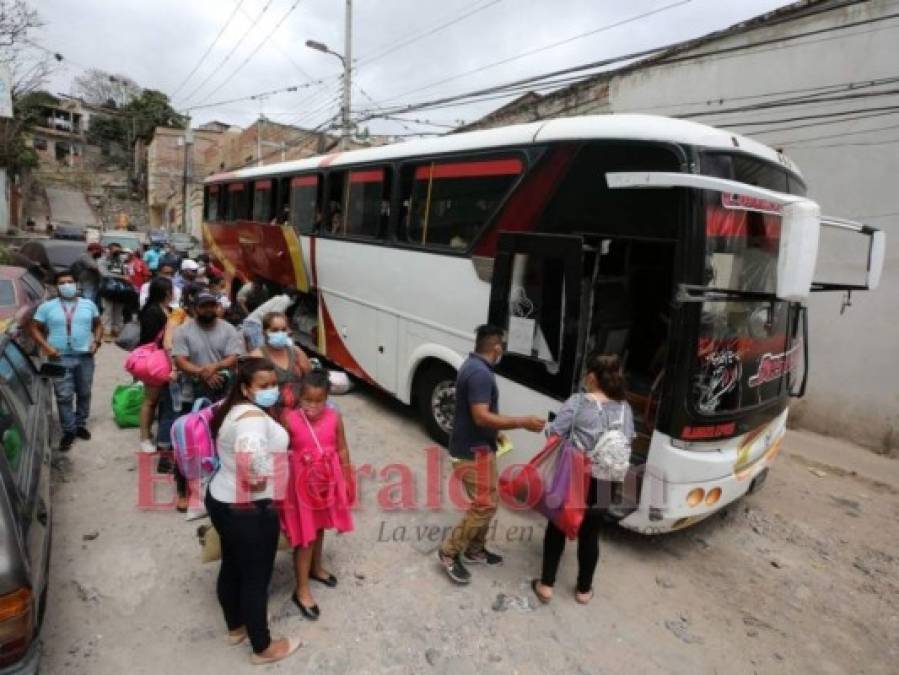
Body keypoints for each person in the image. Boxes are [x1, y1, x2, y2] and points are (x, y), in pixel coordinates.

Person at [205, 357, 300, 665]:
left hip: (222, 499)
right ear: (246, 388)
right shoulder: (252, 419)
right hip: (249, 507)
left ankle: (236, 628)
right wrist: (269, 475)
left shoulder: (234, 408)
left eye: (274, 384)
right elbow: (252, 462)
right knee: (255, 577)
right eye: (264, 385)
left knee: (232, 564)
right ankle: (263, 647)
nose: (271, 390)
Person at [437, 324, 545, 585]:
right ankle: (449, 552)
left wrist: (494, 433)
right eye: (502, 347)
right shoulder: (480, 374)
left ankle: (475, 549)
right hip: (469, 453)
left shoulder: (473, 366)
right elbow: (480, 415)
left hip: (480, 447)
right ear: (496, 347)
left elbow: (474, 413)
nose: (502, 351)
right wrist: (523, 422)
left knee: (489, 501)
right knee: (484, 505)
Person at [532, 353, 635, 606]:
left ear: (591, 376)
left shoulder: (579, 402)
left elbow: (555, 433)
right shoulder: (625, 408)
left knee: (558, 525)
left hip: (575, 476)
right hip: (606, 481)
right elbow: (629, 439)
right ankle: (584, 590)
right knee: (591, 532)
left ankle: (546, 585)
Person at [280, 369, 354, 620]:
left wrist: (346, 478)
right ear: (299, 397)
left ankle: (316, 567)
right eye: (307, 400)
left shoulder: (334, 417)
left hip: (326, 482)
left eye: (318, 401)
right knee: (305, 536)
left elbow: (342, 449)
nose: (312, 406)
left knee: (321, 527)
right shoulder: (289, 419)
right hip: (300, 488)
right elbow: (277, 453)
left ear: (327, 398)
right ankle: (301, 589)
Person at [172, 292, 245, 510]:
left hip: (223, 387)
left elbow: (234, 357)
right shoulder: (183, 331)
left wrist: (214, 368)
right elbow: (181, 361)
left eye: (211, 305)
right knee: (187, 439)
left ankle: (221, 484)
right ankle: (183, 489)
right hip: (192, 388)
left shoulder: (228, 329)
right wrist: (203, 372)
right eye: (203, 306)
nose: (208, 310)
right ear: (194, 308)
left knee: (223, 435)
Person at [29, 270, 103, 452]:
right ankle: (68, 430)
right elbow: (34, 328)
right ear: (57, 287)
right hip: (58, 357)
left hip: (85, 356)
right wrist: (46, 347)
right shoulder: (47, 307)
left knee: (84, 392)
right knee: (63, 396)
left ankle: (80, 424)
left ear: (76, 284)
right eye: (62, 283)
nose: (67, 285)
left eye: (70, 281)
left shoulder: (89, 304)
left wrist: (97, 341)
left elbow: (98, 324)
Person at [136, 277, 174, 454]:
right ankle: (144, 437)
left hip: (163, 360)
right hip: (155, 362)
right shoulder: (152, 311)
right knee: (150, 400)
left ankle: (151, 432)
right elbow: (150, 340)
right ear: (167, 292)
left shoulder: (165, 308)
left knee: (158, 400)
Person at [248, 311, 312, 410]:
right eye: (275, 330)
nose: (280, 334)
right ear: (264, 332)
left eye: (283, 330)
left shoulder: (296, 352)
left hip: (299, 408)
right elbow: (252, 388)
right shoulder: (257, 356)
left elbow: (310, 377)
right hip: (272, 409)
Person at [99, 242, 127, 340]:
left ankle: (116, 330)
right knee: (108, 310)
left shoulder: (122, 261)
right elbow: (104, 273)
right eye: (115, 250)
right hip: (108, 289)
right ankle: (106, 332)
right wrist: (122, 277)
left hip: (120, 289)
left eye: (119, 251)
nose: (117, 253)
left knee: (118, 311)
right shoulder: (102, 260)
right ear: (109, 250)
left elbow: (126, 273)